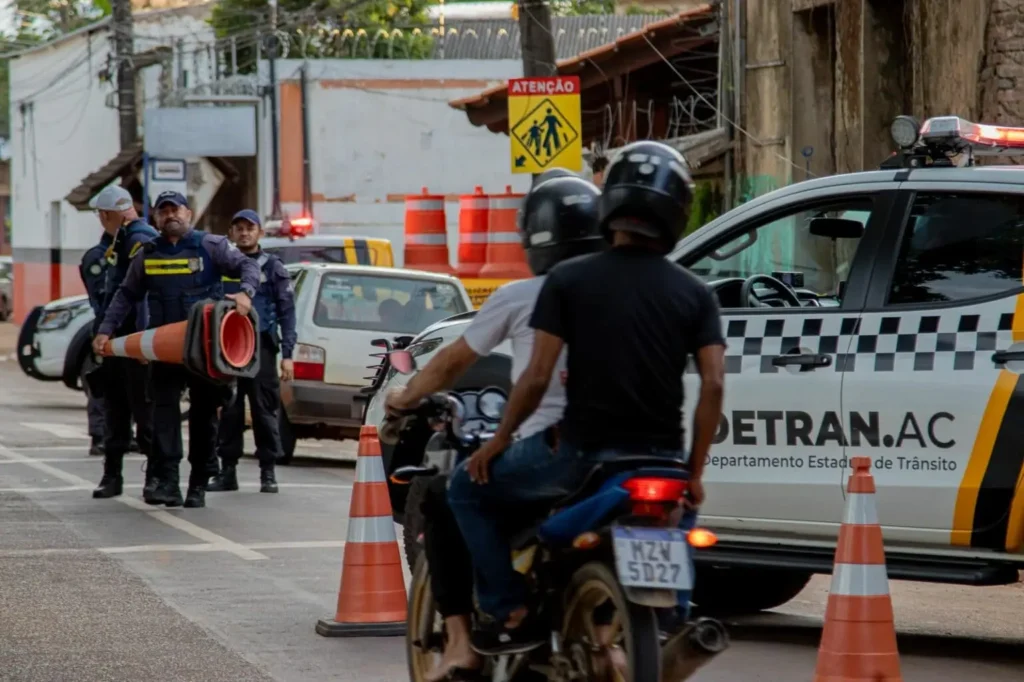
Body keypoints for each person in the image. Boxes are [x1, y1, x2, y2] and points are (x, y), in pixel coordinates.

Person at [447, 140, 727, 654]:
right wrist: (695, 472)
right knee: (683, 524)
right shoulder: (695, 292)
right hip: (662, 462)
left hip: (580, 458)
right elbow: (712, 385)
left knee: (465, 489)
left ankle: (510, 607)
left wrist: (497, 443)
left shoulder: (570, 280)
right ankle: (669, 620)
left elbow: (534, 378)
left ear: (610, 205)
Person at [385, 171, 607, 678]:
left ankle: (482, 626)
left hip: (556, 447)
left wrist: (404, 399)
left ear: (535, 238)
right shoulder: (629, 289)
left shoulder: (525, 295)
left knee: (452, 495)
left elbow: (453, 365)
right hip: (635, 447)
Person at [93, 191, 260, 509]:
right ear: (155, 218)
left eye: (176, 209)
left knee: (203, 416)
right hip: (164, 351)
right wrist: (105, 331)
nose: (170, 215)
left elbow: (248, 268)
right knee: (164, 415)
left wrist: (245, 294)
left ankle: (197, 484)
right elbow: (126, 293)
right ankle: (168, 481)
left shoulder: (211, 246)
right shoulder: (149, 253)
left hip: (204, 350)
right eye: (163, 211)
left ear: (189, 213)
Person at [208, 209, 296, 494]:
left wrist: (288, 355)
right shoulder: (223, 265)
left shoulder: (273, 267)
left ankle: (267, 473)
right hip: (227, 349)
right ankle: (227, 472)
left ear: (260, 232)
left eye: (250, 228)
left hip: (262, 350)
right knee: (229, 411)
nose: (244, 233)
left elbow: (287, 313)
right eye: (239, 228)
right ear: (231, 233)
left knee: (264, 411)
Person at [85, 185, 159, 500]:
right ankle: (112, 475)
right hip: (118, 344)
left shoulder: (138, 239)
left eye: (102, 216)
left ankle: (155, 478)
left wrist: (141, 340)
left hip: (135, 344)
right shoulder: (122, 240)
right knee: (116, 412)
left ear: (107, 215)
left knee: (146, 415)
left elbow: (138, 296)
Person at [80, 233, 111, 457]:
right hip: (105, 327)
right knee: (101, 382)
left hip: (130, 326)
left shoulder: (133, 251)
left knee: (128, 383)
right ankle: (99, 435)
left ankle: (125, 434)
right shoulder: (98, 256)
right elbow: (100, 294)